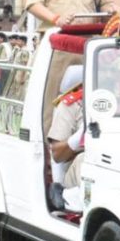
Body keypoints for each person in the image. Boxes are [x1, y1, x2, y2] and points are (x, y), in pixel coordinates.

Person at [48, 65, 85, 212]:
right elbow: (57, 154)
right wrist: (79, 138)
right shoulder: (72, 104)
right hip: (75, 172)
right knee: (86, 159)